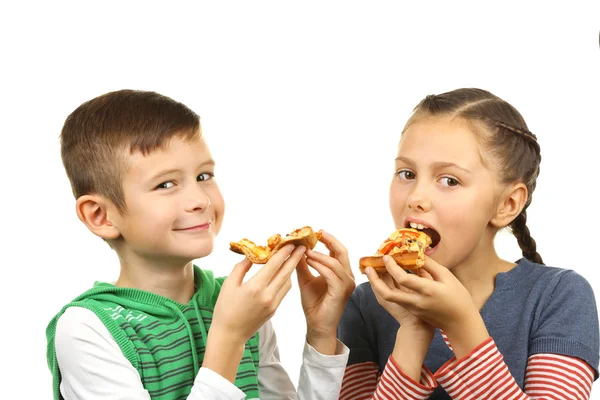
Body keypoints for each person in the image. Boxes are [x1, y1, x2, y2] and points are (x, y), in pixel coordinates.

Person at [45, 89, 356, 400]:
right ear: (101, 216)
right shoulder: (87, 329)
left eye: (204, 175)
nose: (200, 200)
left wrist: (321, 333)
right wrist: (230, 337)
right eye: (166, 184)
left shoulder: (238, 304)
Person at [337, 88, 599, 399]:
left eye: (449, 180)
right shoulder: (368, 304)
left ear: (507, 204)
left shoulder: (558, 296)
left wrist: (461, 326)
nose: (416, 198)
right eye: (407, 173)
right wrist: (413, 333)